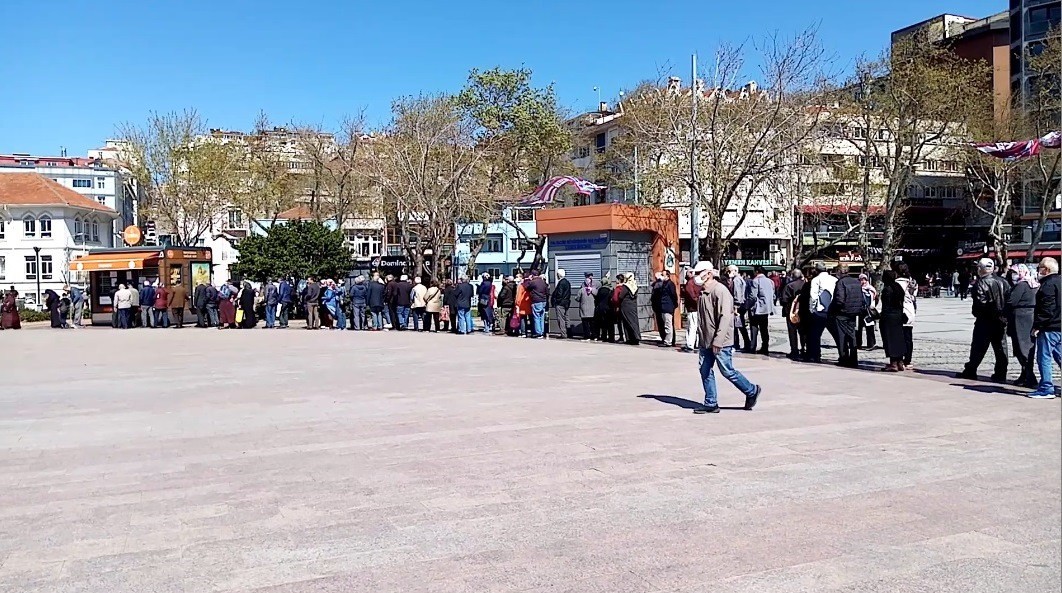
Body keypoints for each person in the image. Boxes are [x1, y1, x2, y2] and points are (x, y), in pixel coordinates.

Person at [693, 261, 761, 414]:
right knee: (705, 370)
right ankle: (711, 402)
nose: (696, 277)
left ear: (709, 273)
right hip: (706, 340)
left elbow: (725, 318)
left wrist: (718, 340)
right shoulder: (703, 292)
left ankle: (751, 390)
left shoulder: (720, 291)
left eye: (699, 273)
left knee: (727, 371)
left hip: (720, 341)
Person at [958, 258, 1009, 381]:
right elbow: (1008, 300)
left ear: (981, 269)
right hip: (1000, 320)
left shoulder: (980, 283)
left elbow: (980, 303)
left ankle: (971, 370)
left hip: (985, 320)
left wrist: (977, 313)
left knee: (978, 347)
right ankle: (1001, 373)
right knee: (1001, 348)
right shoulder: (1003, 282)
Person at [1028, 257, 1061, 399]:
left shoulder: (1047, 285)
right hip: (1059, 326)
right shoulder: (1060, 281)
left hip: (1049, 327)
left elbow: (1047, 309)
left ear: (1046, 270)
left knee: (1044, 357)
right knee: (1059, 355)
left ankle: (1046, 388)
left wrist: (1037, 326)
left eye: (1039, 268)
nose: (1038, 271)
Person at [1006, 263, 1039, 388]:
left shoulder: (1022, 285)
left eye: (1014, 272)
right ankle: (1025, 374)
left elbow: (1011, 301)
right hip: (1029, 317)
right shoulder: (1033, 284)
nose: (1012, 275)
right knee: (1026, 347)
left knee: (1021, 347)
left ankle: (1029, 376)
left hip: (1021, 318)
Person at [830, 265, 864, 368]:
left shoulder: (841, 282)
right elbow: (861, 298)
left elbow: (839, 299)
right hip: (854, 312)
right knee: (852, 335)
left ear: (839, 271)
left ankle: (844, 358)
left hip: (842, 313)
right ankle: (854, 359)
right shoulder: (856, 281)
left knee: (842, 336)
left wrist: (833, 309)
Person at [806, 263, 837, 364]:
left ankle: (815, 356)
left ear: (816, 270)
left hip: (820, 311)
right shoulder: (834, 279)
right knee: (836, 334)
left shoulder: (816, 280)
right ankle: (843, 354)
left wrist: (812, 309)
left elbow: (813, 296)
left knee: (815, 335)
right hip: (832, 310)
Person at [878, 270, 908, 372]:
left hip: (889, 317)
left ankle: (893, 363)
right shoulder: (898, 287)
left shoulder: (887, 289)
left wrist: (880, 316)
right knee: (898, 339)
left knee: (890, 340)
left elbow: (886, 306)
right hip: (898, 316)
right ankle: (900, 361)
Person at [894, 262, 918, 369]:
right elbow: (914, 297)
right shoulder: (912, 282)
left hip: (901, 312)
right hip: (911, 311)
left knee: (899, 337)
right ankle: (908, 360)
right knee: (908, 337)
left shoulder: (896, 283)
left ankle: (899, 360)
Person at [748, 265, 774, 354]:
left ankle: (752, 346)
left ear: (756, 272)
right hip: (766, 308)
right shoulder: (770, 281)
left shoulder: (755, 281)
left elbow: (753, 296)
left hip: (757, 308)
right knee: (764, 328)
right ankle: (765, 346)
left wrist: (748, 305)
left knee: (754, 327)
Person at [779, 269, 805, 359]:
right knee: (803, 332)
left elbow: (784, 300)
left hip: (791, 312)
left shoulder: (789, 286)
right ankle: (804, 349)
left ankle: (794, 350)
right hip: (803, 311)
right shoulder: (806, 284)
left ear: (793, 276)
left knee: (792, 332)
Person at [651, 270, 677, 347]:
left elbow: (673, 295)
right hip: (663, 306)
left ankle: (668, 341)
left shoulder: (670, 284)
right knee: (666, 324)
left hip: (667, 306)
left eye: (663, 275)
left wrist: (673, 305)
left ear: (667, 276)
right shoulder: (664, 284)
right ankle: (667, 340)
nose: (661, 276)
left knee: (668, 325)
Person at [614, 271, 641, 345]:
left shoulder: (626, 287)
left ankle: (630, 338)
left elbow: (620, 296)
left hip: (626, 306)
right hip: (633, 306)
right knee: (634, 321)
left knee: (627, 322)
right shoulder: (635, 286)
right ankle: (636, 337)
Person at [680, 269, 702, 353]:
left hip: (693, 308)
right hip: (697, 308)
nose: (686, 273)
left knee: (692, 326)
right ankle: (697, 343)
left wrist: (696, 302)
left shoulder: (690, 283)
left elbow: (691, 295)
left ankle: (690, 344)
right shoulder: (698, 282)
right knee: (697, 326)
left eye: (688, 272)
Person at [574, 272, 598, 340]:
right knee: (592, 323)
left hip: (584, 309)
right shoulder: (594, 290)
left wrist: (576, 298)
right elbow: (597, 295)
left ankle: (587, 336)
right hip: (592, 309)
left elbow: (577, 298)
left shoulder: (582, 290)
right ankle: (594, 336)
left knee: (585, 324)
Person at [550, 269, 571, 338]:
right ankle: (569, 332)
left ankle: (564, 334)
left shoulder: (561, 283)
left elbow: (559, 293)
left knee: (561, 319)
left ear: (559, 275)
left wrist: (556, 300)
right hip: (566, 303)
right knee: (566, 318)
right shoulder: (567, 282)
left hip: (560, 303)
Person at [527, 270, 549, 338]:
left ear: (532, 275)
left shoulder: (533, 282)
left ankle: (538, 332)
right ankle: (542, 331)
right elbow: (547, 292)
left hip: (536, 301)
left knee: (536, 317)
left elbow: (527, 288)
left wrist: (529, 279)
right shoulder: (543, 282)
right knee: (541, 317)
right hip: (543, 301)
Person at [595, 277, 615, 342]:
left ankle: (604, 337)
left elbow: (597, 299)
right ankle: (611, 337)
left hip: (601, 308)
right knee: (610, 324)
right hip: (609, 308)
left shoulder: (600, 290)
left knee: (603, 324)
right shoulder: (610, 290)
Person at [514, 273, 531, 337]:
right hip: (529, 302)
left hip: (522, 304)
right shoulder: (531, 284)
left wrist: (517, 304)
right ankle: (532, 331)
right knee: (531, 318)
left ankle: (524, 332)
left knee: (523, 319)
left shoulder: (521, 285)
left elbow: (518, 296)